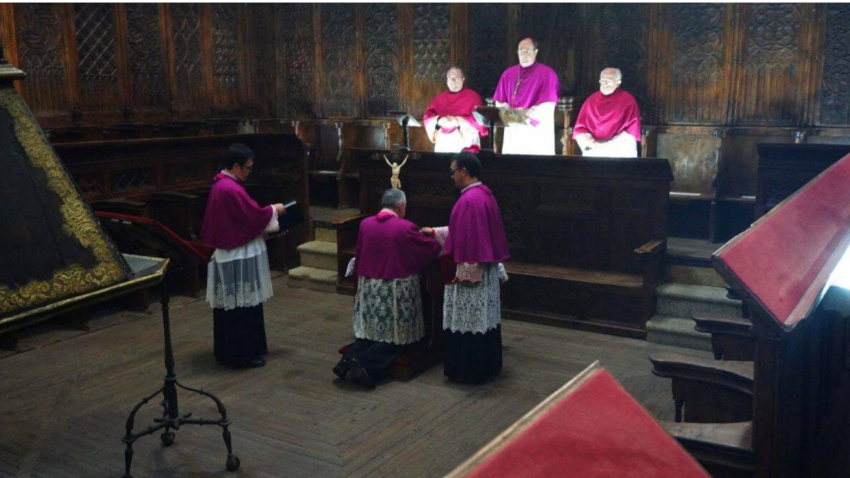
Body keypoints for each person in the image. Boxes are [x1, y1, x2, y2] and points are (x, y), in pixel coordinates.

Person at [334, 188, 441, 388]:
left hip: (370, 290)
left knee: (371, 333)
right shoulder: (405, 227)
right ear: (400, 206)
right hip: (394, 292)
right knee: (397, 339)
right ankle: (366, 366)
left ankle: (346, 362)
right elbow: (429, 250)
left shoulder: (366, 224)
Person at [422, 153, 510, 384]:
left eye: (453, 171)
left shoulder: (470, 200)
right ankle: (488, 365)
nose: (451, 176)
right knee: (482, 322)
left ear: (464, 171)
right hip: (484, 269)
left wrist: (467, 274)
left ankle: (470, 370)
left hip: (472, 274)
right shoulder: (482, 194)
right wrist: (436, 232)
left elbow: (472, 241)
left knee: (470, 321)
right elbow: (464, 233)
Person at [200, 143, 286, 369]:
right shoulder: (229, 188)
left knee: (234, 306)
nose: (249, 172)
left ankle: (231, 350)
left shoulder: (224, 185)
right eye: (248, 168)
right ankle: (241, 355)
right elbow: (251, 217)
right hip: (237, 255)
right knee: (241, 307)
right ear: (236, 166)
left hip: (233, 253)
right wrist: (274, 209)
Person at [493, 37, 560, 155]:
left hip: (534, 130)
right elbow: (500, 100)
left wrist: (523, 116)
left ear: (536, 51)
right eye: (520, 51)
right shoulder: (508, 74)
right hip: (513, 128)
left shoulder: (547, 73)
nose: (523, 55)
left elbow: (548, 105)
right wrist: (511, 115)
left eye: (527, 51)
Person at [573, 67, 641, 158]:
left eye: (609, 80)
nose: (605, 83)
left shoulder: (628, 101)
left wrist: (608, 146)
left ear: (618, 83)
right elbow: (581, 128)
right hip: (594, 151)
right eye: (602, 80)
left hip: (618, 151)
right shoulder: (591, 100)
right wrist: (593, 144)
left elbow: (631, 130)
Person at [423, 66, 488, 153]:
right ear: (447, 80)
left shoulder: (473, 97)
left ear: (463, 79)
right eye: (450, 78)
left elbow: (480, 120)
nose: (453, 82)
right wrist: (439, 120)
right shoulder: (439, 98)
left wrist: (459, 121)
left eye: (456, 78)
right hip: (444, 142)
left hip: (465, 141)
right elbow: (428, 116)